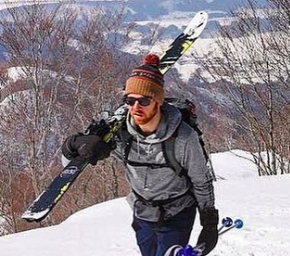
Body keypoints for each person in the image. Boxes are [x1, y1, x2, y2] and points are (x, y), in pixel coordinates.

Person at [62, 54, 218, 256]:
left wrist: (209, 223)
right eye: (130, 100)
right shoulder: (122, 134)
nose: (136, 107)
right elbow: (70, 167)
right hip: (142, 213)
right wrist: (73, 145)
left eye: (144, 100)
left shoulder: (183, 138)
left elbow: (201, 181)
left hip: (177, 213)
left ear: (158, 101)